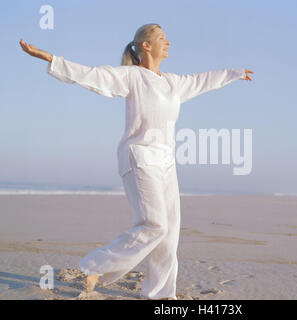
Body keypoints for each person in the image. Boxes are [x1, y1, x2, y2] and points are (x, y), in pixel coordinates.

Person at [19, 23, 254, 300]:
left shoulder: (172, 83)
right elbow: (92, 75)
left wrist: (234, 73)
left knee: (170, 232)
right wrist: (52, 59)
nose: (168, 42)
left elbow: (201, 80)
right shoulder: (132, 77)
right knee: (154, 225)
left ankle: (161, 293)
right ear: (146, 45)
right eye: (162, 38)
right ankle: (94, 267)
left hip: (166, 162)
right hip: (139, 157)